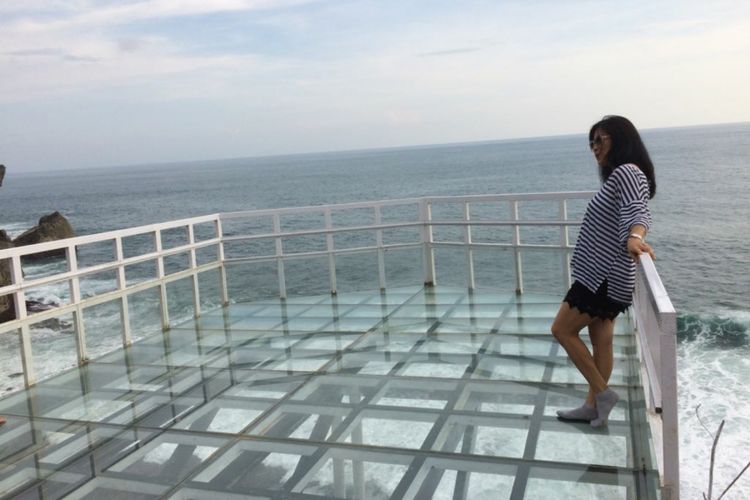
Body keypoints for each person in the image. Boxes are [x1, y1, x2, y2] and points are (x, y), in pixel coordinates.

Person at [552, 115, 656, 428]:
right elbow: (633, 208)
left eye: (602, 140)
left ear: (621, 139)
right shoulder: (622, 176)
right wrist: (633, 236)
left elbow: (638, 210)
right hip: (611, 277)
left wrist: (635, 237)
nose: (595, 147)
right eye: (592, 142)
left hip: (601, 277)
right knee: (602, 341)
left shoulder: (626, 171)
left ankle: (602, 394)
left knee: (562, 330)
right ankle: (592, 406)